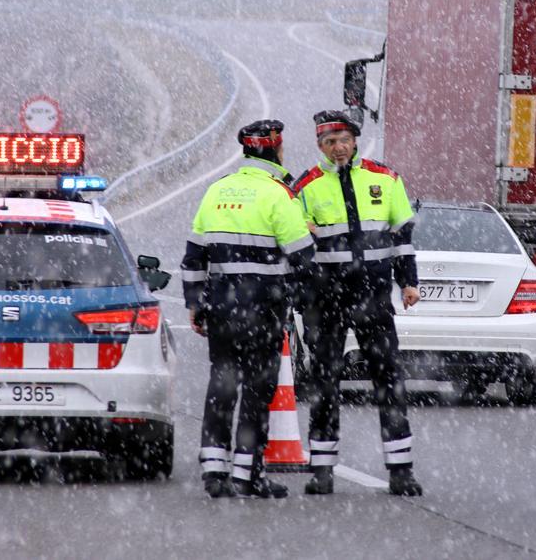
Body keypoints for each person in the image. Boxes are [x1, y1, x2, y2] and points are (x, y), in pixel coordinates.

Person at [181, 119, 314, 499]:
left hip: (222, 311)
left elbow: (193, 259)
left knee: (221, 387)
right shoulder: (279, 196)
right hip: (264, 313)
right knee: (257, 392)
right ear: (275, 149)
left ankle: (213, 472)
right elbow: (303, 258)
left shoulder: (216, 191)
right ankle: (248, 474)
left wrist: (195, 305)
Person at [293, 109, 423, 496]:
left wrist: (409, 282)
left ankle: (401, 471)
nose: (338, 148)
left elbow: (402, 235)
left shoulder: (385, 178)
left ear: (355, 141)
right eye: (330, 143)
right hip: (326, 298)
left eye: (344, 141)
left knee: (389, 380)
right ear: (320, 146)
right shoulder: (306, 185)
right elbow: (296, 243)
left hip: (373, 296)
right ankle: (322, 471)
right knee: (325, 382)